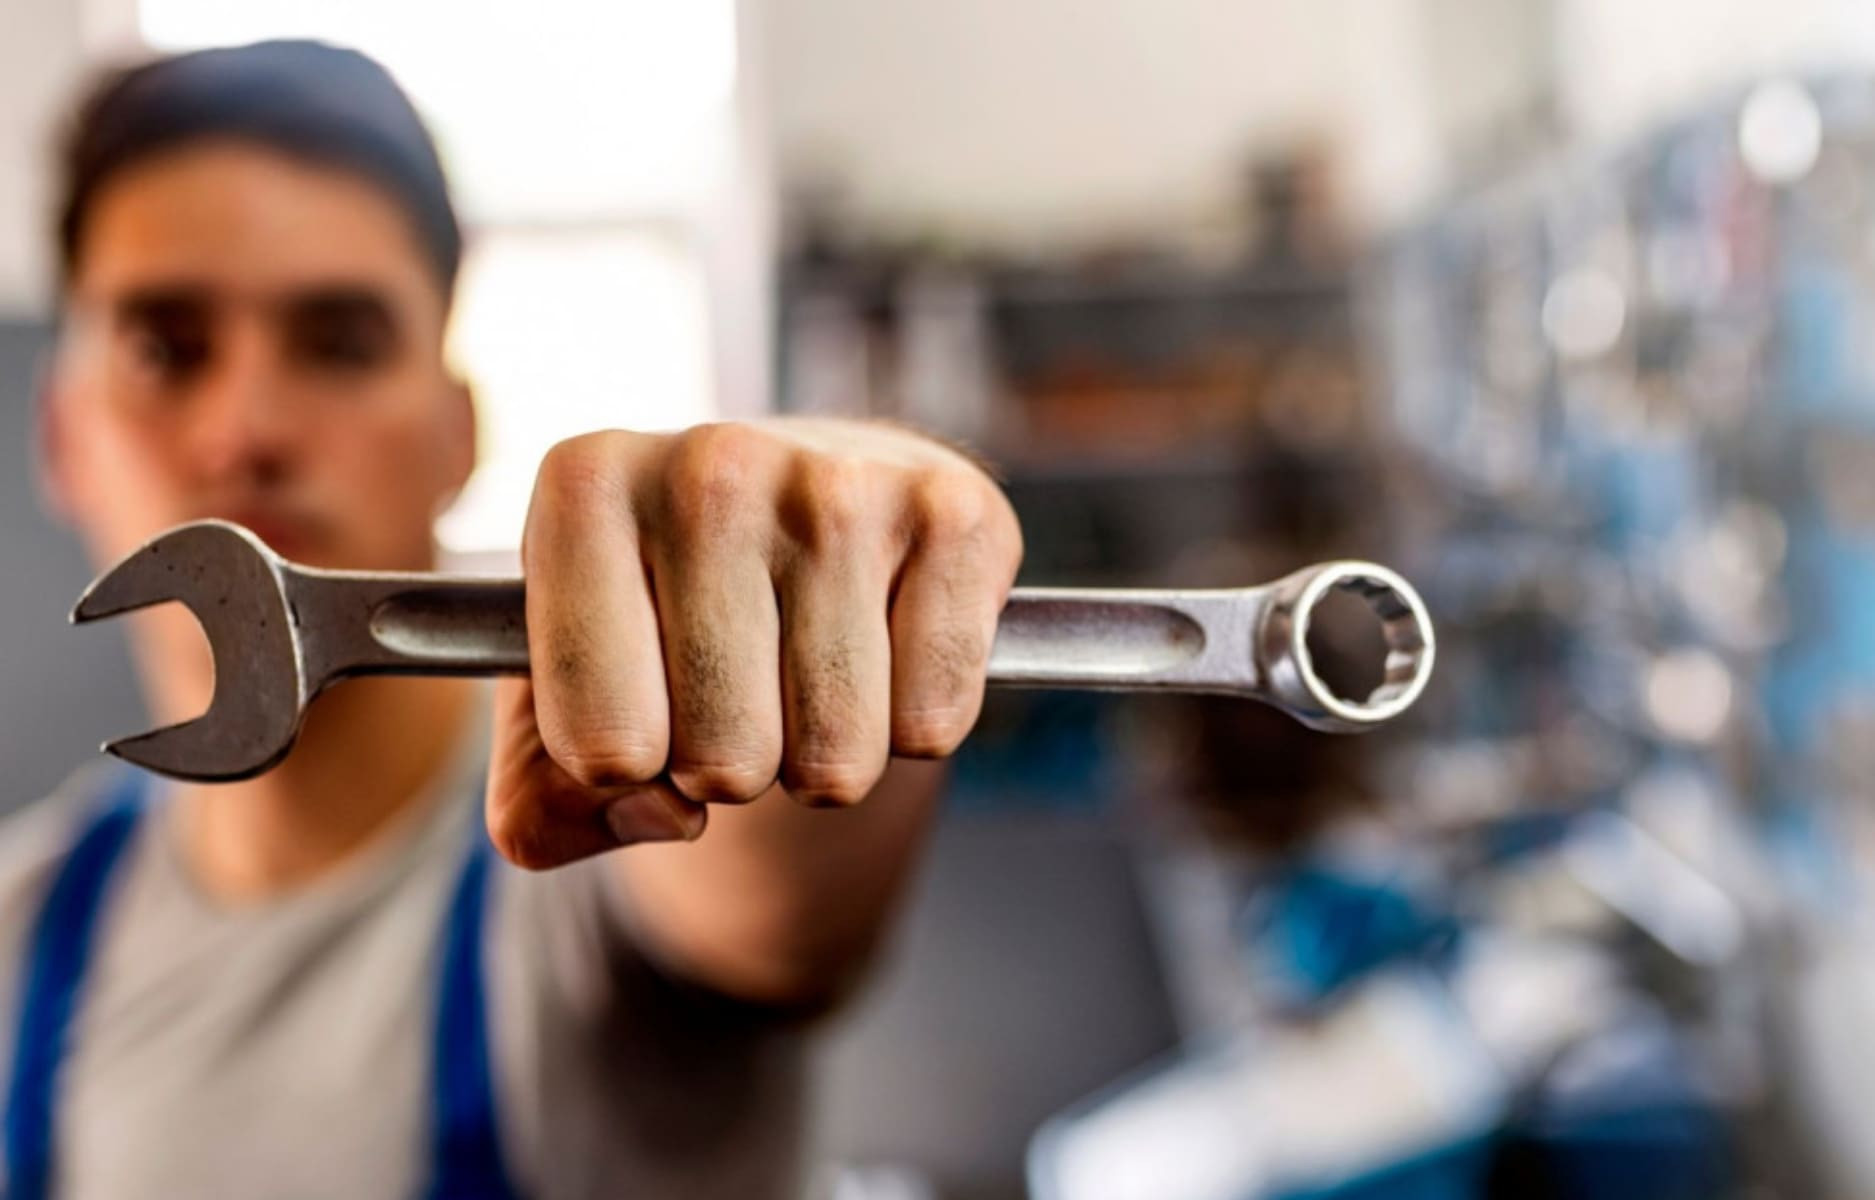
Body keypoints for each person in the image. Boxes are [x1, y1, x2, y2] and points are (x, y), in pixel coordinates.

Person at [5, 39, 1021, 1199]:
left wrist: (859, 511)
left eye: (340, 343)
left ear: (459, 434)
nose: (247, 425)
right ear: (61, 436)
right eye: (164, 348)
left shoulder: (605, 836)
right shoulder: (18, 938)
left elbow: (779, 893)